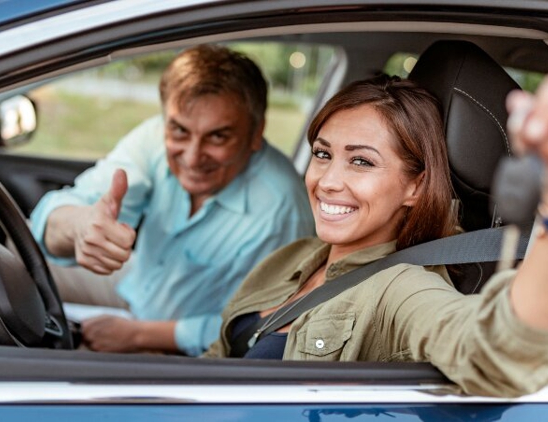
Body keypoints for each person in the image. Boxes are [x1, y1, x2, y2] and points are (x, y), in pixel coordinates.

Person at [203, 74, 548, 397]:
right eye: (323, 154)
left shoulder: (400, 289)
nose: (327, 181)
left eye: (361, 162)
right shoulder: (292, 257)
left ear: (416, 186)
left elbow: (496, 354)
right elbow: (215, 361)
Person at [30, 44, 314, 356]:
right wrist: (80, 228)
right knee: (13, 262)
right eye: (179, 131)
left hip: (184, 349)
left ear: (256, 132)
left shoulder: (282, 208)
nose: (192, 157)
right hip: (137, 287)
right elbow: (59, 213)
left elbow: (259, 327)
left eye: (218, 136)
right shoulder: (154, 136)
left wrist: (139, 336)